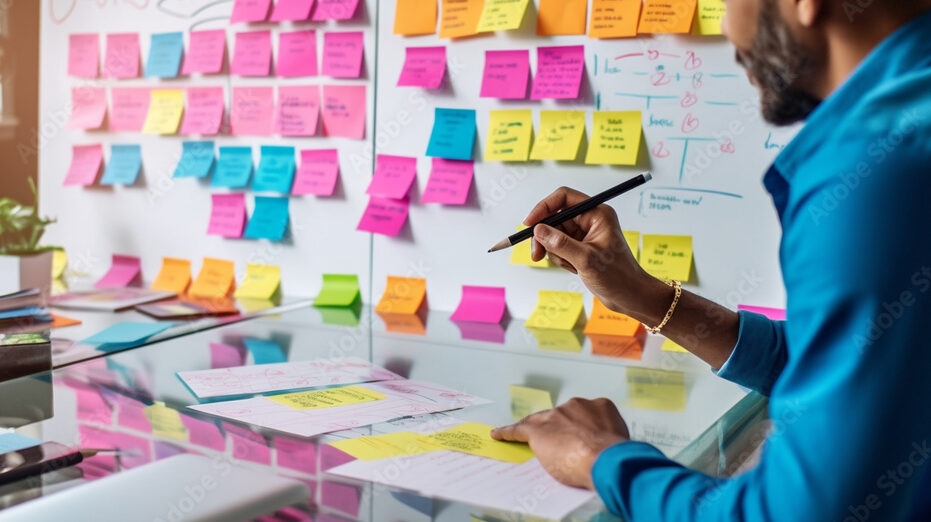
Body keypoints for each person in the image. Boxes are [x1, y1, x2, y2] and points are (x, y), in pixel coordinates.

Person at [490, 1, 931, 520]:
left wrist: (602, 459)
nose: (721, 27)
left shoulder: (875, 167)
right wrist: (644, 297)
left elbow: (796, 513)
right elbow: (861, 366)